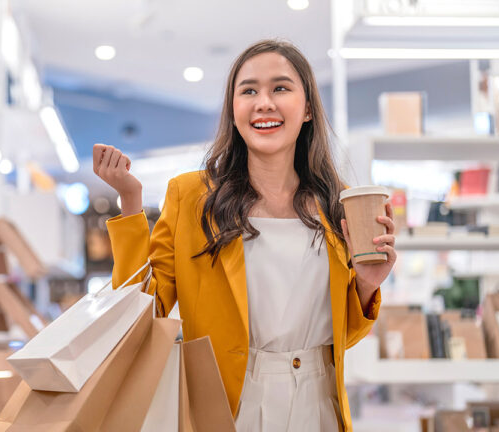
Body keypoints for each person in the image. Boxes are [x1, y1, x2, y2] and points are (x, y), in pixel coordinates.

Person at [93, 39, 396, 432]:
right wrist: (131, 204)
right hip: (228, 405)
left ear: (307, 109)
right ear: (234, 110)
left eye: (280, 88)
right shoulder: (192, 197)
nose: (264, 102)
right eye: (248, 90)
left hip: (319, 404)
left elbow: (343, 337)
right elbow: (142, 314)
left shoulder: (334, 203)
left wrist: (367, 286)